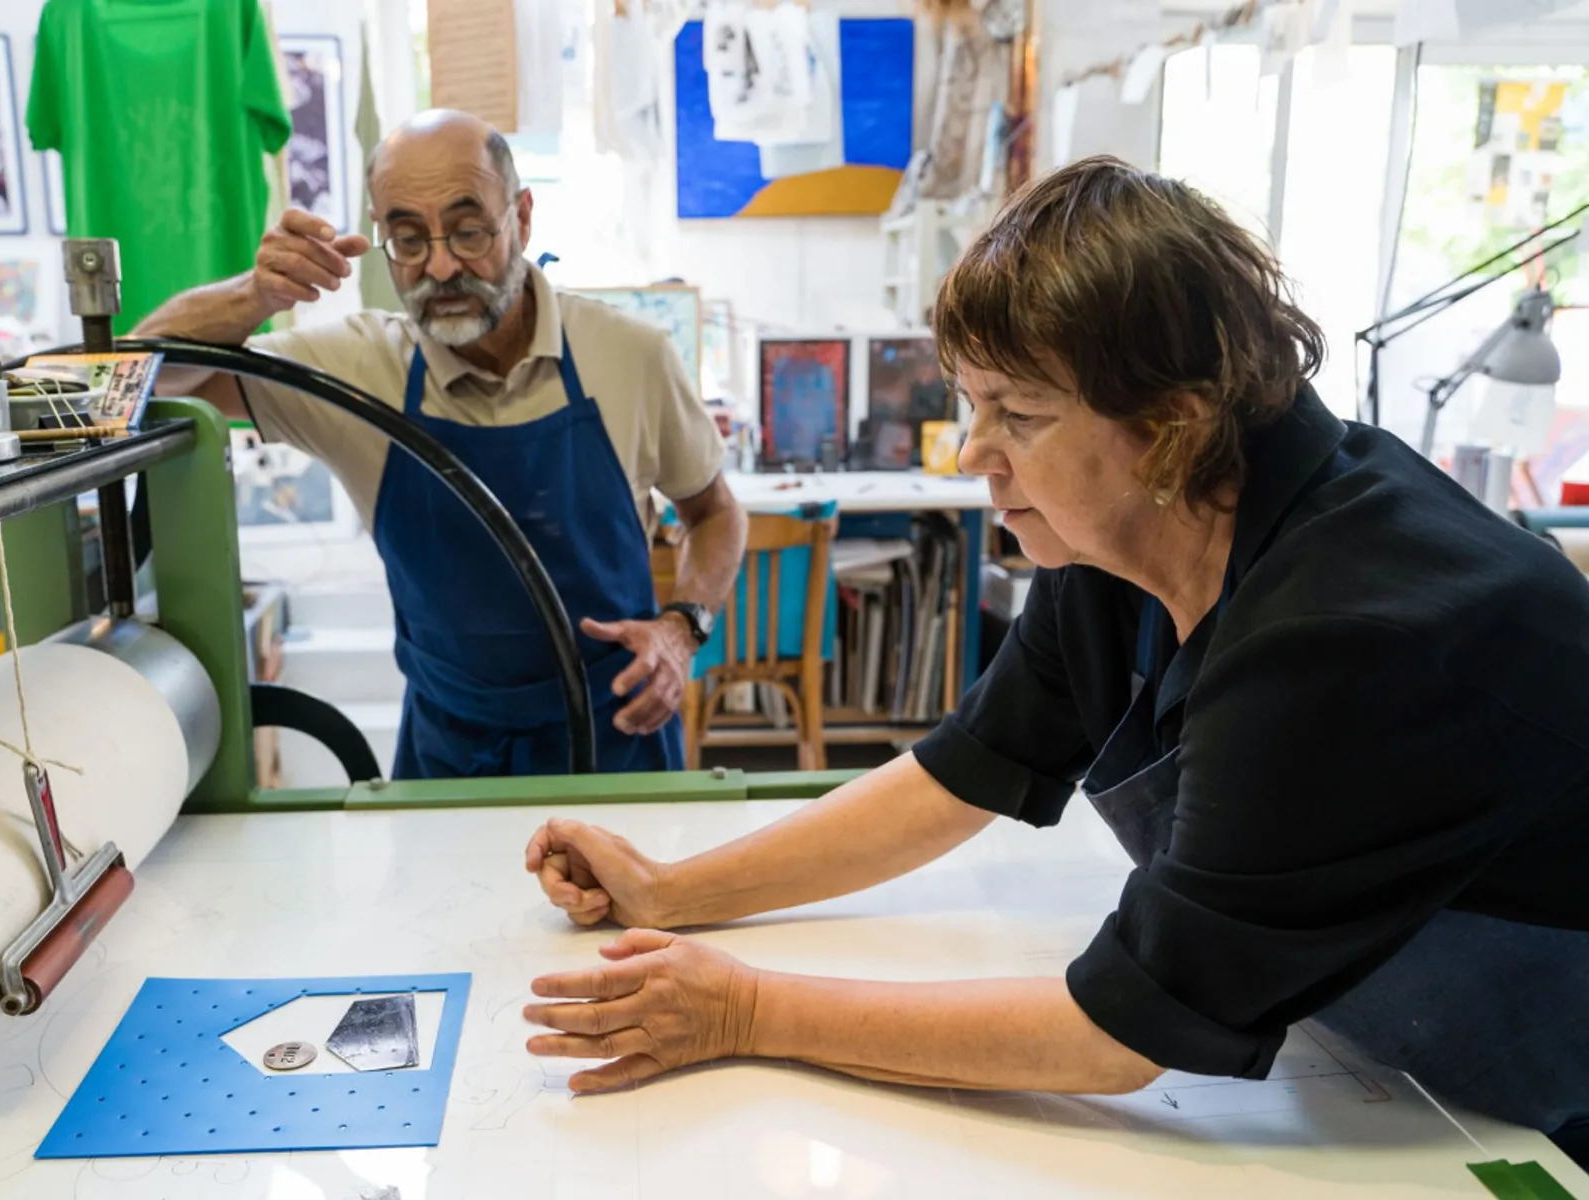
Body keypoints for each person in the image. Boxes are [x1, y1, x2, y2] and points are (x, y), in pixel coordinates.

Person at [521, 158, 1589, 1165]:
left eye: (1018, 415)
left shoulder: (1347, 632)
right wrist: (672, 892)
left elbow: (1120, 1028)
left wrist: (746, 1008)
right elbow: (964, 770)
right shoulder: (1128, 527)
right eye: (971, 403)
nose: (974, 453)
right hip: (1396, 1068)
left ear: (1173, 425)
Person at [139, 109, 746, 780]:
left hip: (620, 739)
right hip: (451, 760)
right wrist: (254, 294)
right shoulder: (358, 369)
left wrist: (681, 628)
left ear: (522, 216)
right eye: (406, 238)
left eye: (468, 230)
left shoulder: (630, 355)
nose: (442, 265)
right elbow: (135, 375)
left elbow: (714, 513)